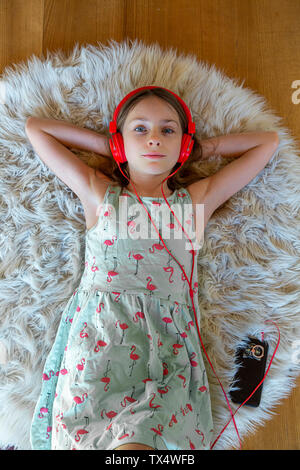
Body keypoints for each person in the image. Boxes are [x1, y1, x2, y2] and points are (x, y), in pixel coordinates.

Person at [26, 87, 279, 450]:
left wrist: (200, 151)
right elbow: (37, 130)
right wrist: (109, 147)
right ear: (119, 142)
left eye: (168, 130)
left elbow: (266, 143)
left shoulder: (195, 201)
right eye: (140, 129)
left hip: (168, 340)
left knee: (148, 436)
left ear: (184, 143)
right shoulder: (100, 194)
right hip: (103, 335)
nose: (155, 139)